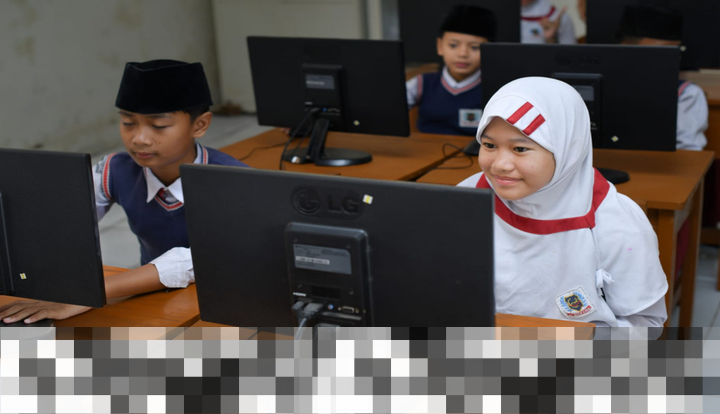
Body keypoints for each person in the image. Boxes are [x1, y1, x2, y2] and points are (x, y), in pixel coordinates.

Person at [0, 59, 248, 323]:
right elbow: (61, 223)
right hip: (154, 296)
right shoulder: (115, 169)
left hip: (230, 298)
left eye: (159, 126)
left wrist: (89, 293)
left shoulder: (234, 182)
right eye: (129, 123)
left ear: (199, 125)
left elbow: (198, 260)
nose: (139, 138)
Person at [458, 77, 668, 328]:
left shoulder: (617, 222)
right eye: (489, 145)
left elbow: (646, 325)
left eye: (520, 149)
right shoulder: (467, 199)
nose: (500, 165)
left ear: (567, 147)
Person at [617, 5, 708, 150]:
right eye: (660, 52)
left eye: (676, 51)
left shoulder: (686, 94)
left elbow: (689, 152)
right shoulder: (607, 88)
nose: (673, 59)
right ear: (625, 49)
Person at [406, 5, 496, 136]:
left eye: (474, 47)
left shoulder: (495, 89)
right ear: (440, 46)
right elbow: (389, 109)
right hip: (426, 147)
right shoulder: (421, 83)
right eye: (453, 45)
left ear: (489, 50)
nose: (462, 54)